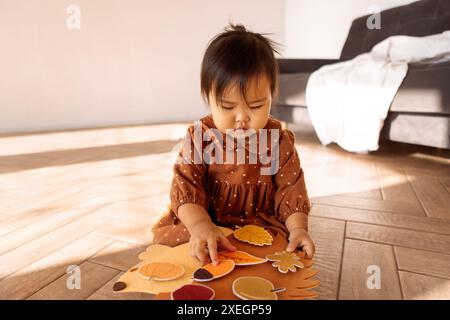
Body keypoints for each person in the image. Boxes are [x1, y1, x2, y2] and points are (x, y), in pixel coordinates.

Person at [152, 23, 315, 266]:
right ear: (208, 98)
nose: (242, 118)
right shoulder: (201, 137)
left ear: (272, 96)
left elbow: (291, 190)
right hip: (208, 217)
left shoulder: (278, 141)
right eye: (228, 107)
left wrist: (298, 228)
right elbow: (186, 188)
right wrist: (200, 225)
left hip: (259, 221)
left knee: (280, 251)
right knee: (181, 243)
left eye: (257, 105)